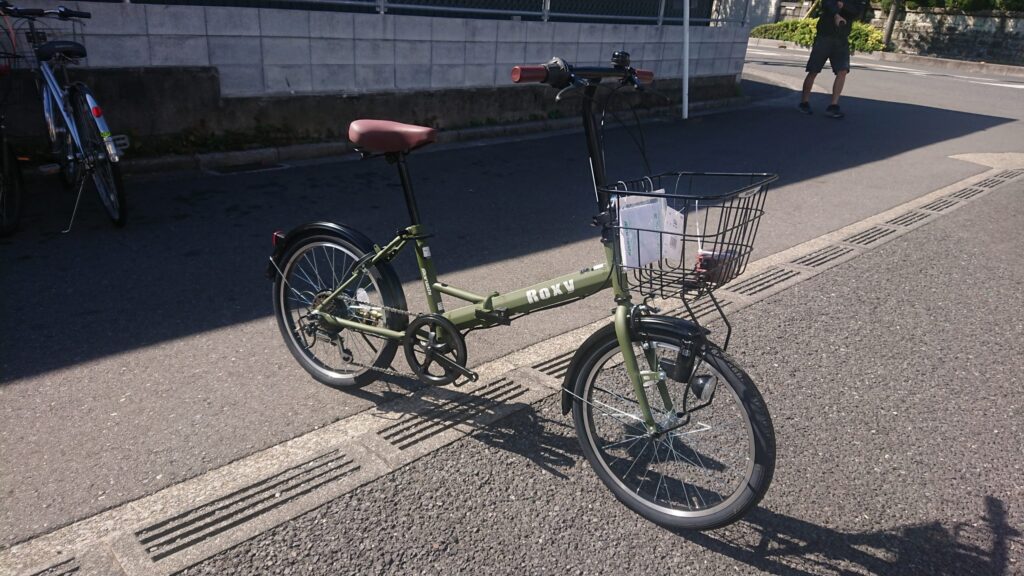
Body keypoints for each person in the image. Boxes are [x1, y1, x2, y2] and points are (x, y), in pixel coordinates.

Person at [798, 0, 865, 118]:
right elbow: (826, 4)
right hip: (825, 35)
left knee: (843, 70)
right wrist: (836, 13)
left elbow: (858, 11)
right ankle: (804, 102)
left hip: (842, 37)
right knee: (813, 70)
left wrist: (843, 6)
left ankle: (833, 105)